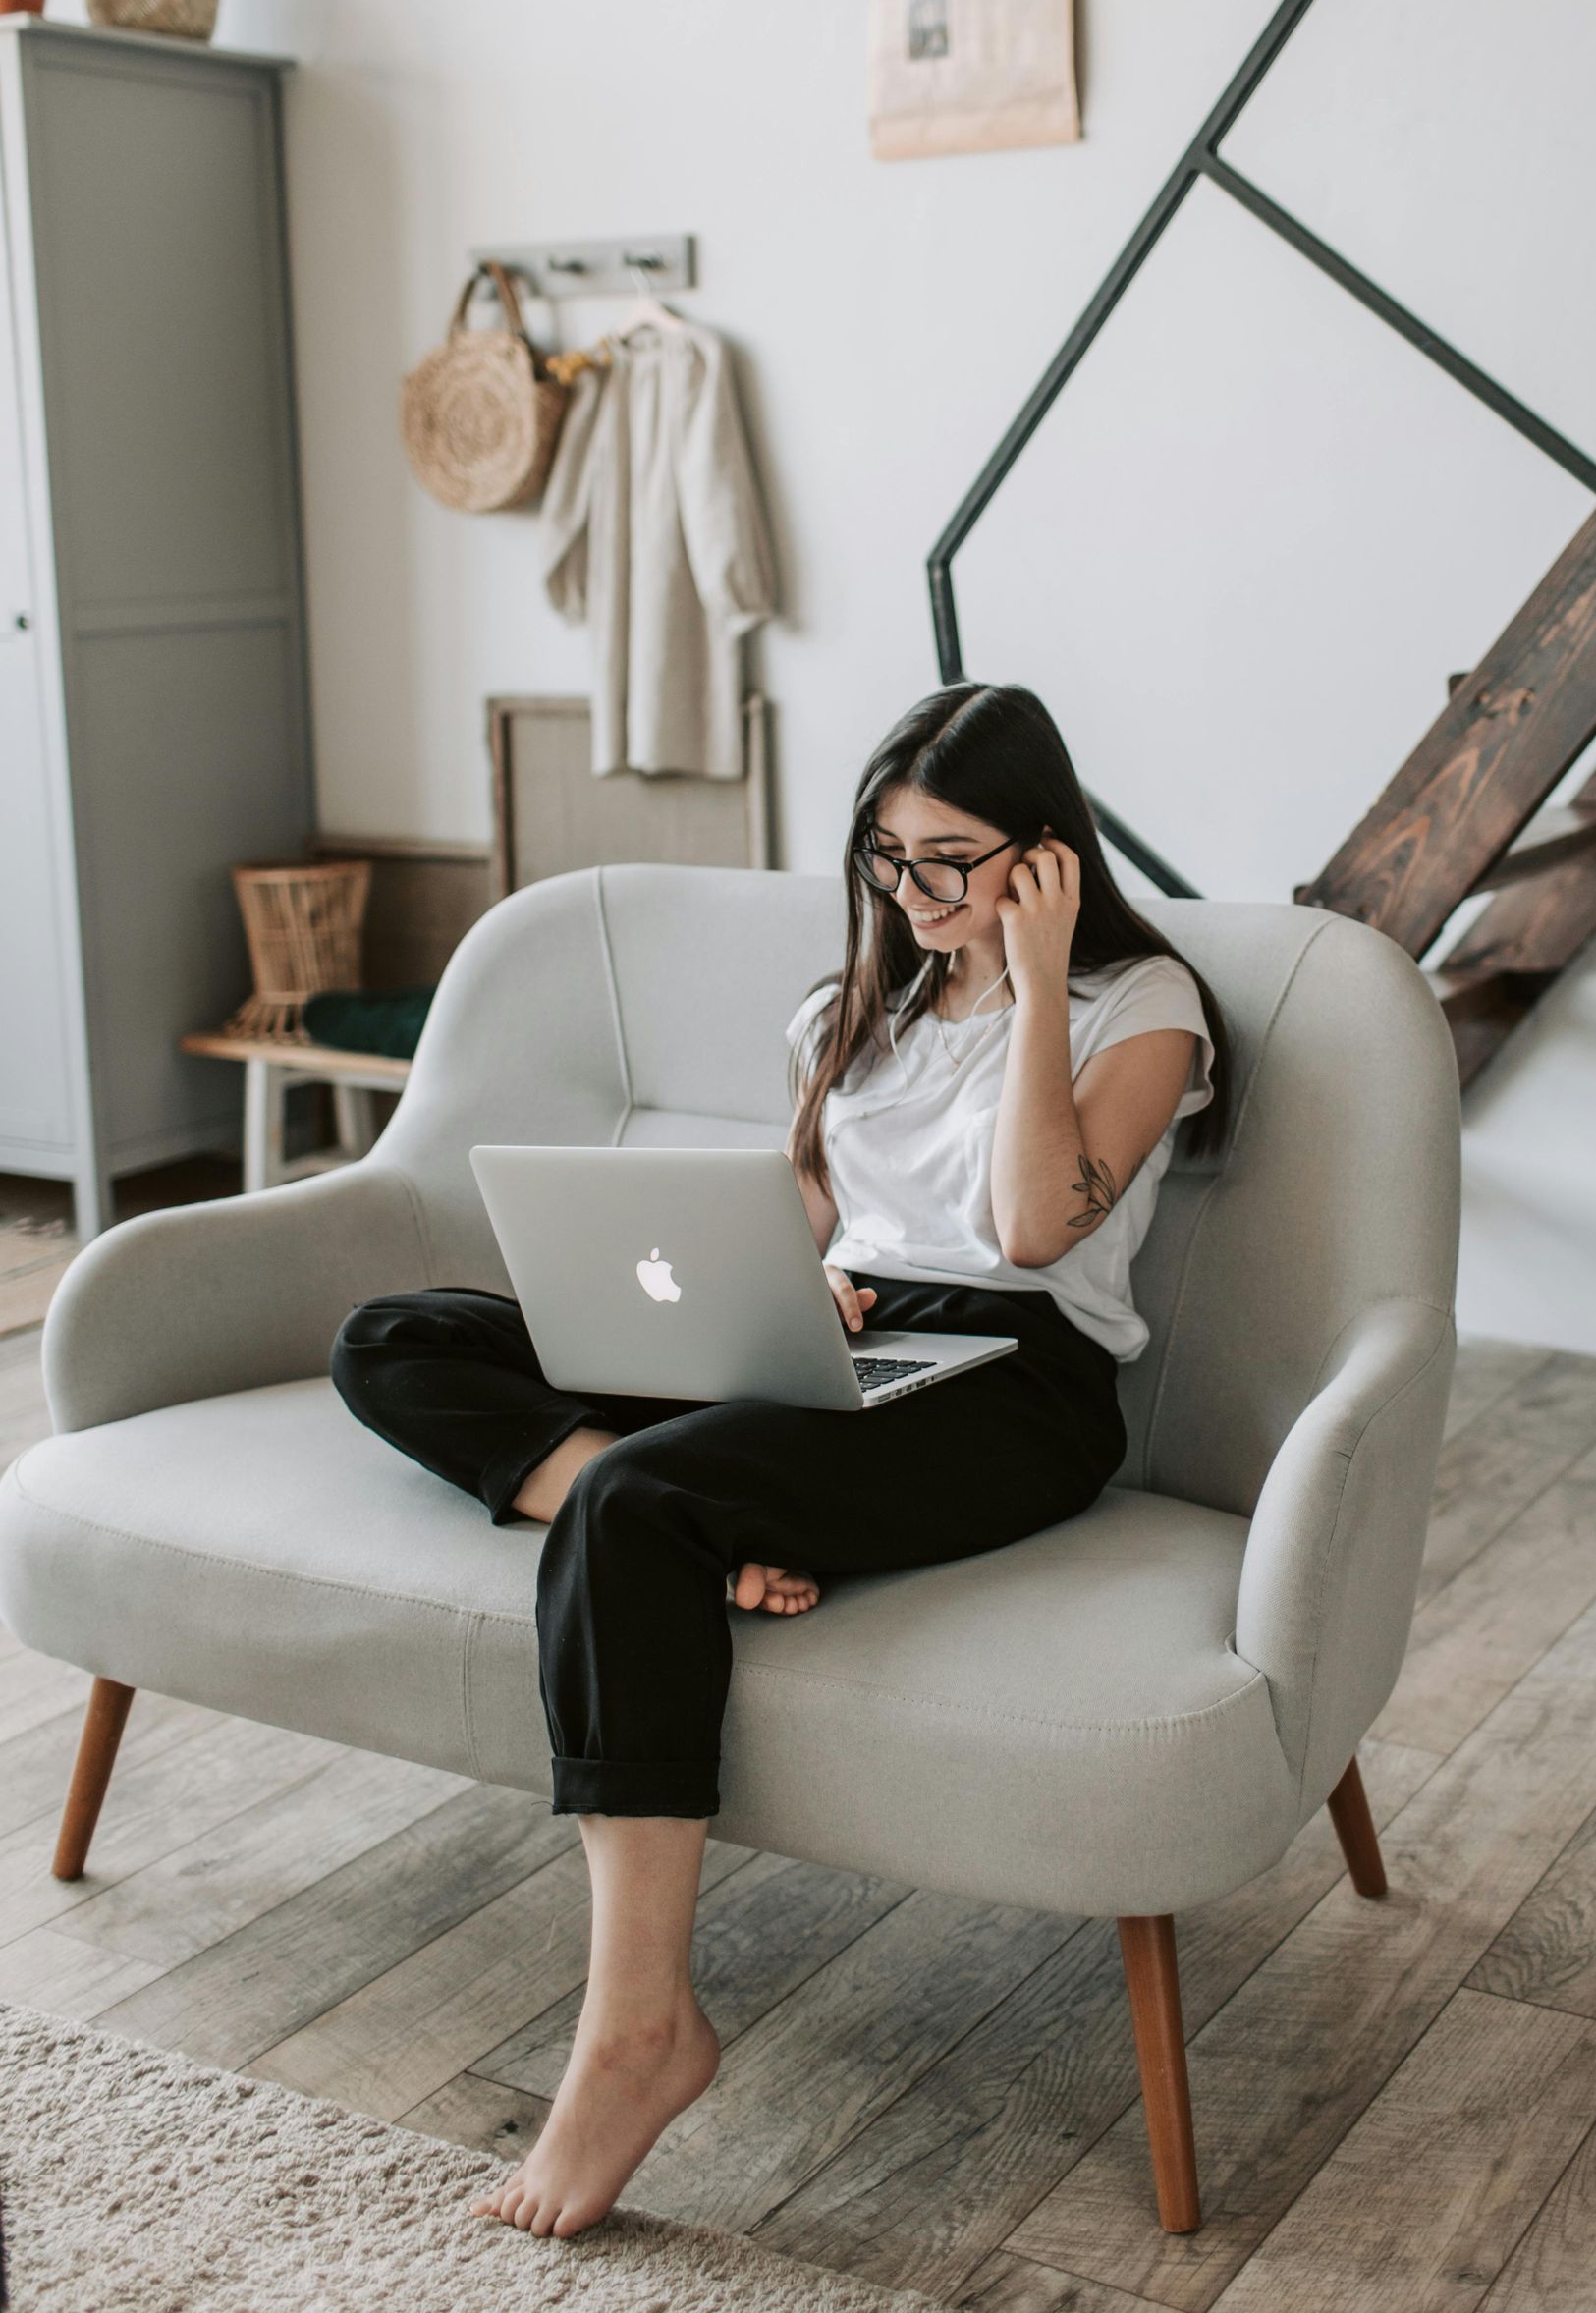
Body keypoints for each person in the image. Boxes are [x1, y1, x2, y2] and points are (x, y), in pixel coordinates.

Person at [328, 680, 1230, 2240]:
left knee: (630, 1502)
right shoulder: (845, 1013)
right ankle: (668, 1510)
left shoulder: (1141, 1009)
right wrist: (773, 1298)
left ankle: (640, 2030)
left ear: (1045, 855)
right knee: (396, 1336)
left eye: (952, 858)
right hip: (837, 1343)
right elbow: (802, 1226)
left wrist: (1026, 980)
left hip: (1014, 1381)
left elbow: (1030, 1228)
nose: (913, 892)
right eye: (888, 857)